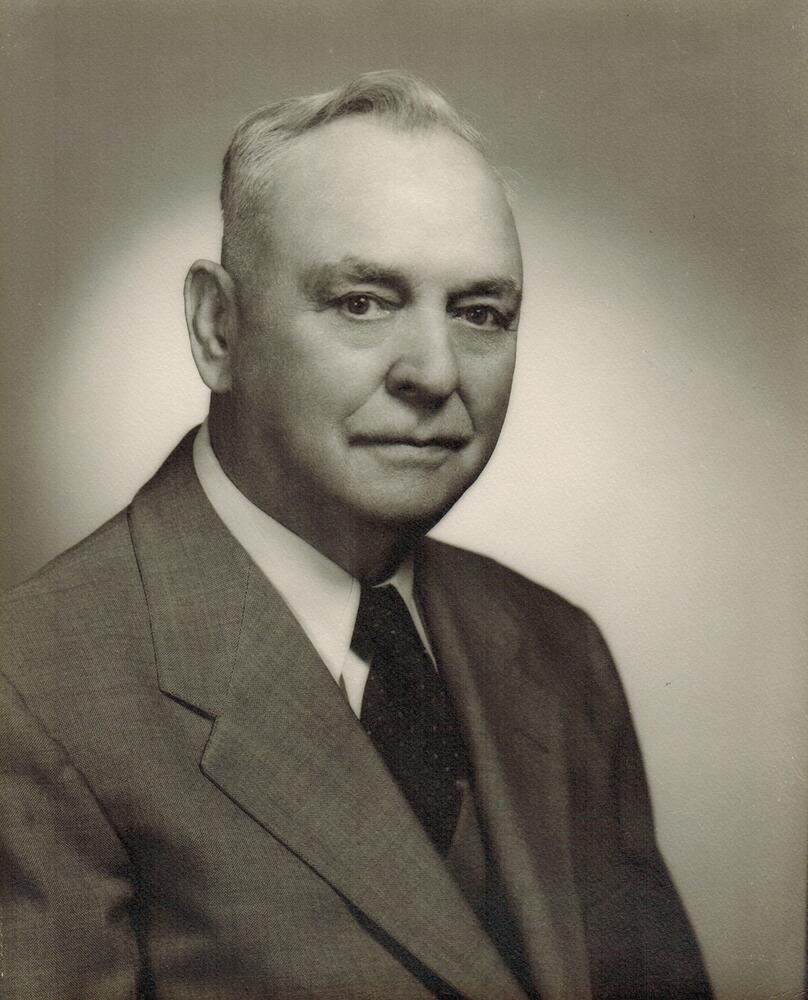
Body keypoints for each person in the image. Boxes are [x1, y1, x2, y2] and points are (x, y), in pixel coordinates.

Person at [1, 71, 712, 1000]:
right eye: (363, 302)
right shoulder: (34, 687)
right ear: (219, 329)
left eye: (479, 313)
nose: (433, 370)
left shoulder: (558, 648)